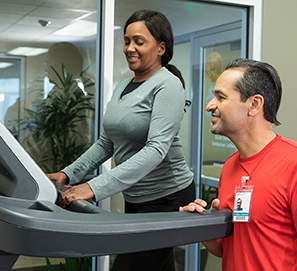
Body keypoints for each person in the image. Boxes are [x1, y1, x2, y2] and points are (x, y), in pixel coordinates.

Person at [48, 10, 195, 271]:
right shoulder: (122, 87)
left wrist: (93, 187)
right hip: (136, 197)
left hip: (167, 197)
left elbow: (156, 149)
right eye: (127, 41)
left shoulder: (168, 85)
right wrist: (67, 174)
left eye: (139, 41)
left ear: (161, 47)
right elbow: (106, 143)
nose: (129, 48)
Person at [180, 58, 297, 270]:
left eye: (221, 97)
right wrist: (200, 226)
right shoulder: (229, 167)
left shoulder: (294, 164)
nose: (210, 105)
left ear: (254, 105)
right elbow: (226, 249)